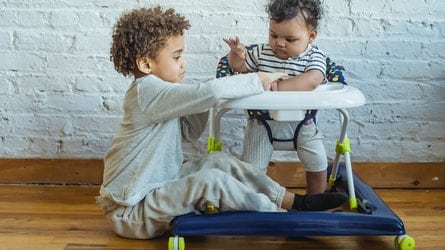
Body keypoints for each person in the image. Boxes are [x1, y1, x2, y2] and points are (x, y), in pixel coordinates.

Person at [96, 6, 348, 239]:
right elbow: (211, 93)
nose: (183, 62)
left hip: (159, 187)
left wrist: (200, 98)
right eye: (176, 57)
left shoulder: (162, 93)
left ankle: (291, 200)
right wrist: (258, 79)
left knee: (218, 161)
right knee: (210, 180)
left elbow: (191, 132)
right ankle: (275, 212)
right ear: (145, 64)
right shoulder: (146, 91)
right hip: (132, 209)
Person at [224, 0, 329, 194]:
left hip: (302, 122)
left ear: (311, 36)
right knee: (251, 167)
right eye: (273, 35)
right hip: (262, 121)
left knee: (318, 161)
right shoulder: (262, 52)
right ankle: (254, 199)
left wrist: (279, 87)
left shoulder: (314, 56)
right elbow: (240, 68)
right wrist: (237, 55)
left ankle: (316, 198)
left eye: (289, 39)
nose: (279, 43)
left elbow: (313, 80)